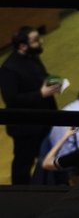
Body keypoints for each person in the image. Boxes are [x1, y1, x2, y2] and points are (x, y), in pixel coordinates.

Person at [1, 27, 60, 184]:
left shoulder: (32, 56)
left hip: (43, 119)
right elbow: (12, 99)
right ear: (22, 46)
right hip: (26, 126)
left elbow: (41, 76)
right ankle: (20, 191)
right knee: (23, 163)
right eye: (35, 40)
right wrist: (41, 94)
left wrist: (54, 83)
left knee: (47, 154)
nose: (40, 42)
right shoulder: (9, 69)